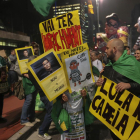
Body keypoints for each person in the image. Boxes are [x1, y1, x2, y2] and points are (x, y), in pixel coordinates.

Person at [96, 38, 140, 140]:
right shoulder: (107, 67)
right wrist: (100, 83)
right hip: (114, 118)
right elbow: (105, 87)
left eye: (107, 48)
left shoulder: (133, 64)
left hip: (130, 118)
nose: (105, 51)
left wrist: (129, 85)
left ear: (114, 49)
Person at [20, 56, 40, 126]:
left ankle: (32, 117)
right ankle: (23, 119)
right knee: (28, 101)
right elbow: (19, 71)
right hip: (28, 86)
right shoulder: (24, 66)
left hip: (34, 85)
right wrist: (26, 74)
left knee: (33, 100)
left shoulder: (35, 67)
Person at [0, 58, 9, 123]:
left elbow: (5, 66)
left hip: (1, 82)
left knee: (0, 101)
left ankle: (0, 116)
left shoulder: (1, 58)